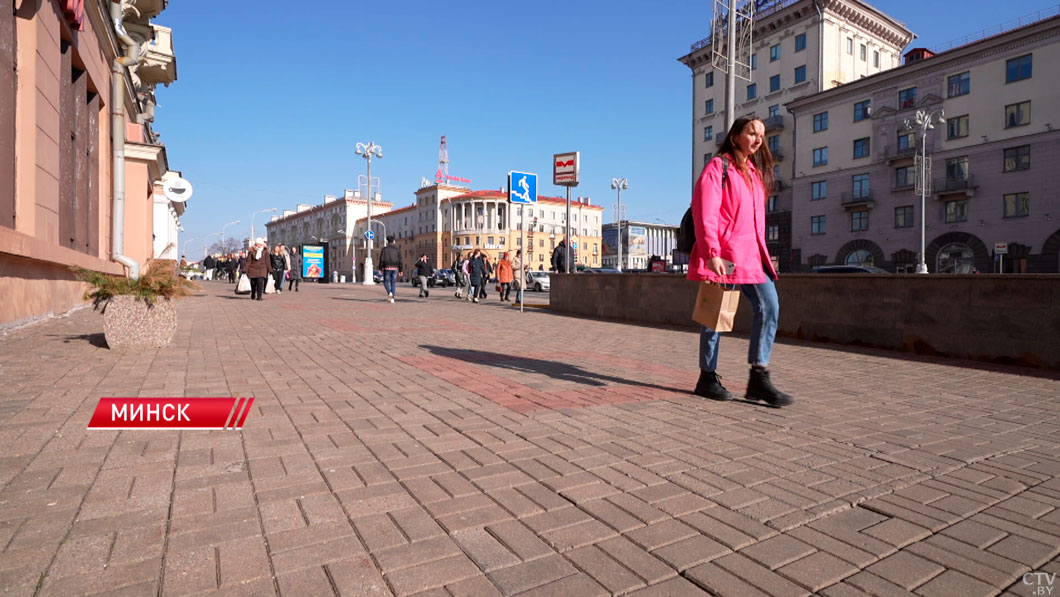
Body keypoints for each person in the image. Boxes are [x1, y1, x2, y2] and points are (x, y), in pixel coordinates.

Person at [689, 116, 793, 407]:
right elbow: (704, 213)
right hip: (726, 255)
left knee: (770, 306)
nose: (758, 139)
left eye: (761, 134)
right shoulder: (718, 168)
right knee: (717, 315)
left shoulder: (753, 172)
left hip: (753, 256)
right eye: (752, 132)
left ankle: (758, 377)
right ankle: (706, 377)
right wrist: (712, 253)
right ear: (736, 136)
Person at [378, 235, 402, 303]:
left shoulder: (384, 249)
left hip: (387, 267)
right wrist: (401, 269)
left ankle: (389, 293)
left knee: (385, 281)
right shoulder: (397, 249)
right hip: (395, 268)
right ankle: (392, 297)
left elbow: (381, 259)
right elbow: (400, 259)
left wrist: (380, 268)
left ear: (387, 241)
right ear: (393, 241)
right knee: (393, 282)